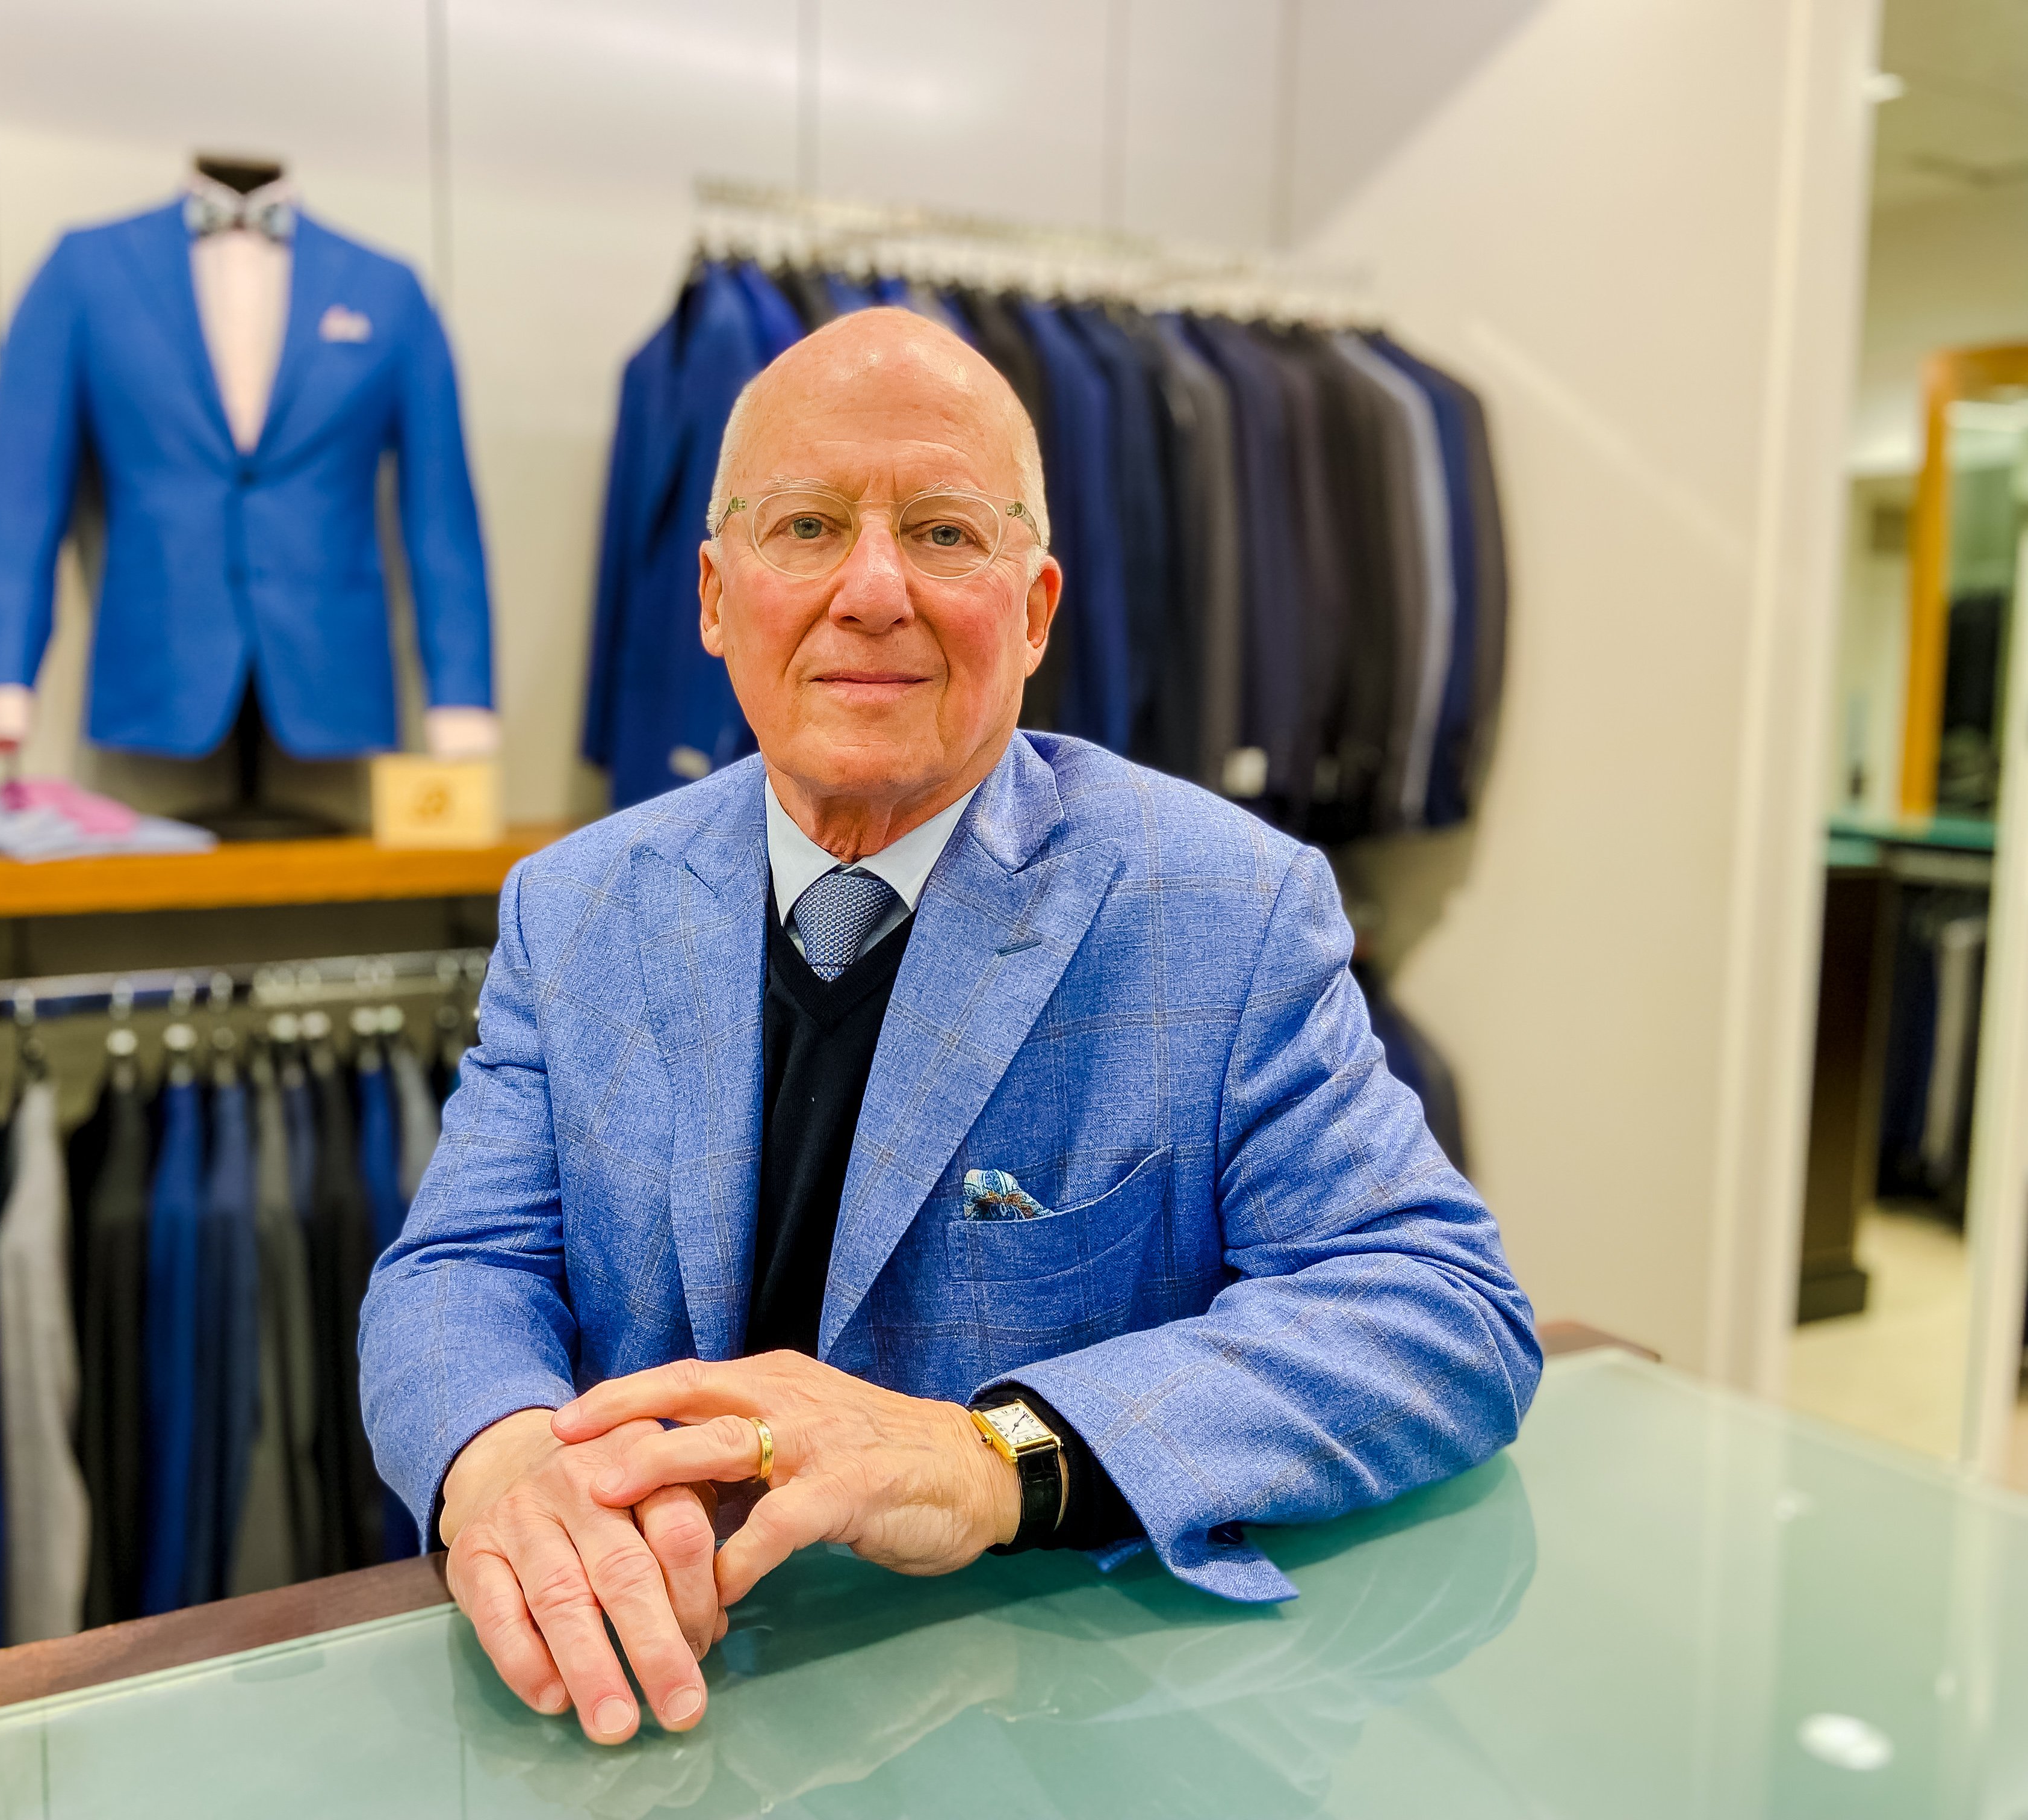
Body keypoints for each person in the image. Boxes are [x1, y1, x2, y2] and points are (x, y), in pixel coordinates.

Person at [359, 308, 1539, 1748]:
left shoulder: (1225, 907)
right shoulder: (577, 904)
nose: (871, 591)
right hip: (658, 1710)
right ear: (716, 600)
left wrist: (995, 1456)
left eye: (941, 532)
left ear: (1034, 610)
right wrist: (498, 1459)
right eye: (805, 527)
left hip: (1050, 1727)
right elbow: (458, 1267)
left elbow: (1443, 1313)